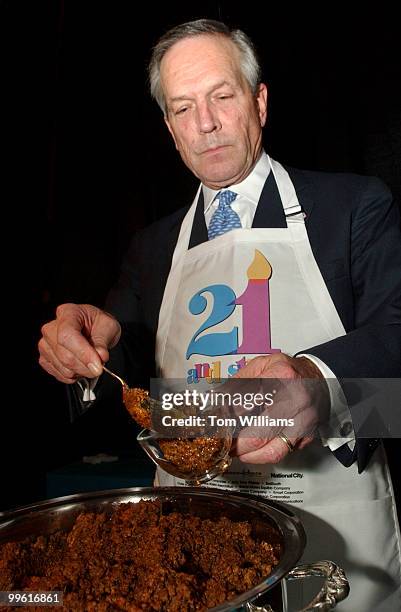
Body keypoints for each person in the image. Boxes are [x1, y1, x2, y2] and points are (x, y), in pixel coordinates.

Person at [39, 19, 401, 610]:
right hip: (196, 539)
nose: (204, 124)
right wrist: (80, 359)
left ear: (259, 100)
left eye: (222, 97)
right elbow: (127, 392)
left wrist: (315, 385)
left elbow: (397, 368)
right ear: (169, 128)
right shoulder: (152, 248)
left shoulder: (354, 207)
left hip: (334, 534)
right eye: (183, 108)